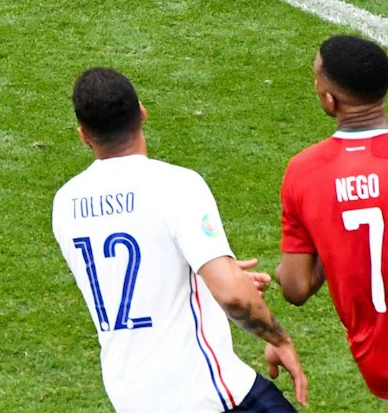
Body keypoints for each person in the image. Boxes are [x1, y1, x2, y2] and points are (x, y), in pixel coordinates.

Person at [52, 67, 305, 412]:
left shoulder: (66, 203)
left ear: (83, 134)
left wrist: (211, 277)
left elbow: (137, 282)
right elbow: (231, 294)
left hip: (132, 397)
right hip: (207, 392)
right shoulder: (176, 185)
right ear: (142, 111)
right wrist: (279, 339)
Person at [279, 34, 388, 398]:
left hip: (377, 362)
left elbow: (295, 287)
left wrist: (328, 231)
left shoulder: (304, 172)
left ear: (330, 99)